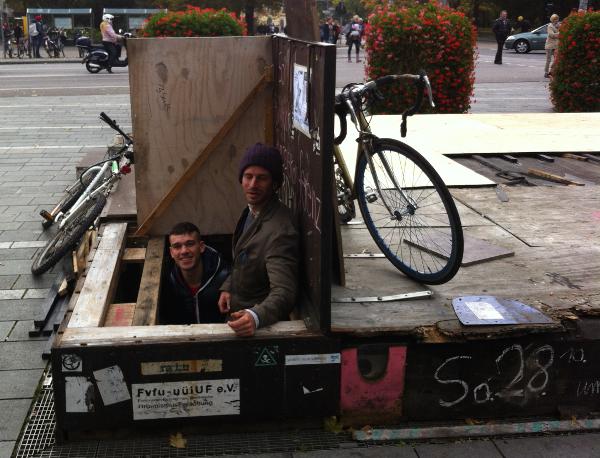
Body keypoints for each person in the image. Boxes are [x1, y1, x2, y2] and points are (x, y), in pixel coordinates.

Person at [218, 144, 299, 337]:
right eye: (248, 177)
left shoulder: (280, 231)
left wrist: (256, 316)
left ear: (275, 183)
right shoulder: (253, 210)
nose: (253, 185)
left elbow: (285, 291)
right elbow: (246, 258)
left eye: (262, 178)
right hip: (237, 315)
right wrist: (229, 287)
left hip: (255, 330)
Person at [161, 222, 229, 325]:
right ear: (171, 252)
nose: (184, 251)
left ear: (201, 247)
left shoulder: (225, 277)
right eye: (177, 246)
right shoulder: (167, 283)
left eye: (190, 244)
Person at [544, 14, 560, 78]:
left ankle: (552, 71)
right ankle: (546, 72)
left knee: (556, 59)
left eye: (557, 19)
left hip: (556, 45)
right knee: (548, 60)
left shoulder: (558, 25)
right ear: (552, 20)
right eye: (555, 19)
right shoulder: (549, 26)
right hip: (549, 45)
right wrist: (559, 33)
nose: (556, 20)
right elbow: (551, 35)